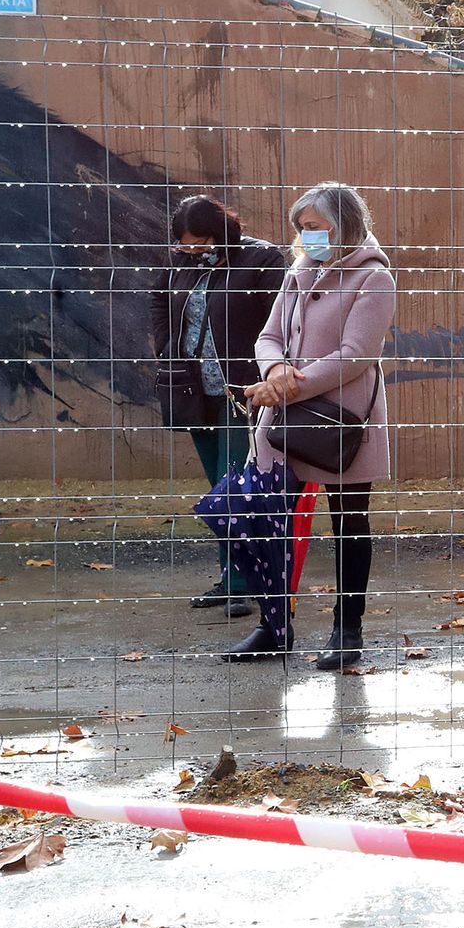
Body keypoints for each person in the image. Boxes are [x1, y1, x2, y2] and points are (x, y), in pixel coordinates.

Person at [231, 182, 396, 670]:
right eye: (302, 229)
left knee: (348, 523)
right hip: (282, 419)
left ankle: (348, 631)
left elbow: (354, 356)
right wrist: (274, 371)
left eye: (316, 228)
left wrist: (285, 386)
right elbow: (269, 336)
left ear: (344, 225)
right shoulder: (300, 271)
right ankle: (273, 626)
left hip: (340, 422)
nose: (308, 237)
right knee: (268, 522)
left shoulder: (374, 279)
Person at [149, 195, 284, 618]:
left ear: (221, 233)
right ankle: (231, 579)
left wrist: (269, 372)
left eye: (200, 242)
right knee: (217, 488)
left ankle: (246, 582)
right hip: (192, 390)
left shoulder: (260, 260)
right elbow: (158, 299)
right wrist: (166, 346)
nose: (191, 250)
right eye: (184, 244)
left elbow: (280, 319)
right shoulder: (181, 264)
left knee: (235, 488)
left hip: (243, 393)